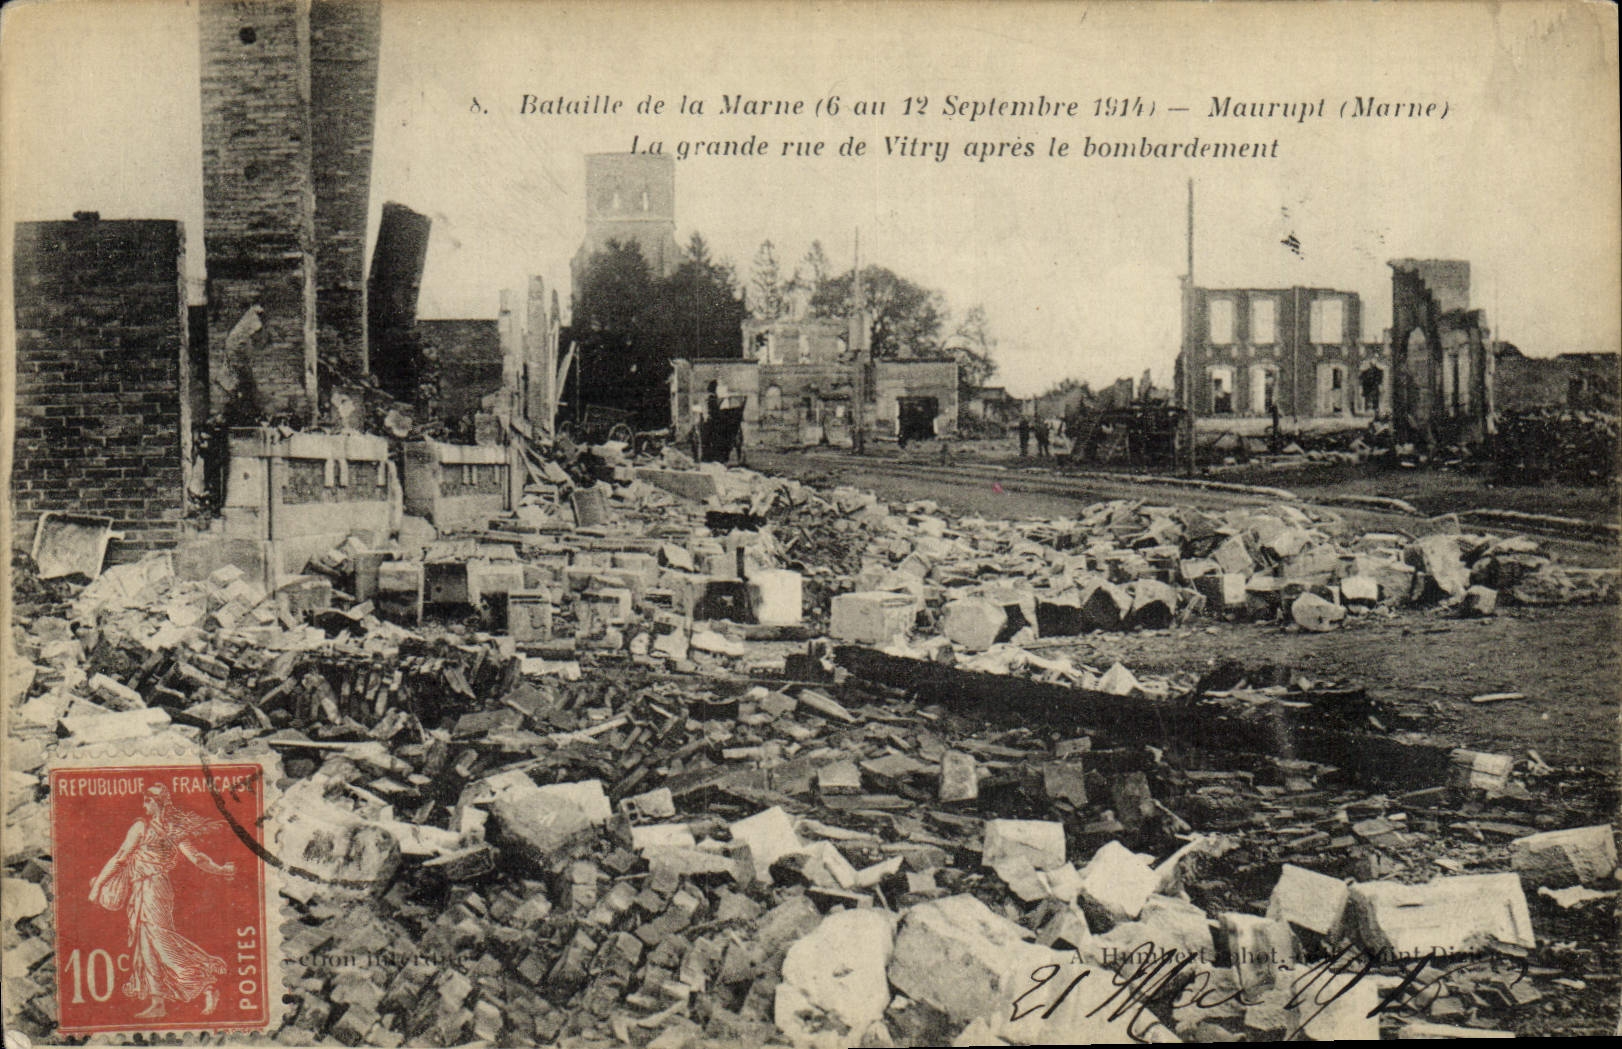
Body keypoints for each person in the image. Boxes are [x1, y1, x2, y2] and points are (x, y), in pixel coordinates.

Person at [89, 785, 234, 1019]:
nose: (144, 806)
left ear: (157, 803)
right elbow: (197, 858)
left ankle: (206, 981)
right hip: (148, 889)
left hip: (151, 889)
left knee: (161, 942)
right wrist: (220, 869)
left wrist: (97, 886)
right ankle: (158, 1002)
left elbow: (120, 857)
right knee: (146, 945)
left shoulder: (141, 827)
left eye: (147, 801)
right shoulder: (173, 829)